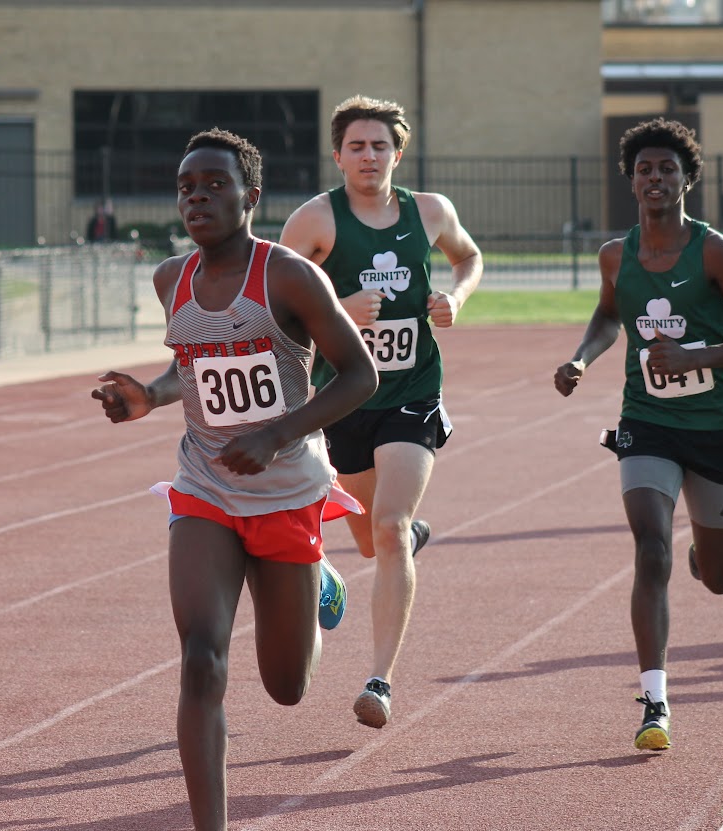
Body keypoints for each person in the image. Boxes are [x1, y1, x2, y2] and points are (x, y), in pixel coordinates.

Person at [91, 128, 377, 831]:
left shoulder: (287, 276)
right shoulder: (171, 280)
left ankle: (318, 591)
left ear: (250, 197)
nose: (198, 197)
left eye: (214, 184)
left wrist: (278, 432)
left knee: (285, 687)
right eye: (187, 186)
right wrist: (149, 397)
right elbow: (191, 364)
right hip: (205, 488)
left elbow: (360, 373)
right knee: (201, 658)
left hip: (286, 490)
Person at [553, 118, 723, 751]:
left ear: (688, 179)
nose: (656, 177)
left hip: (713, 428)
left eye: (668, 169)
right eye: (645, 168)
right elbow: (606, 317)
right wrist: (581, 358)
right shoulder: (614, 256)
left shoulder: (715, 252)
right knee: (650, 548)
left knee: (718, 577)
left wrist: (695, 359)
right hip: (646, 422)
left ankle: (703, 556)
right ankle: (655, 700)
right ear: (631, 180)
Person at [279, 95, 483, 729]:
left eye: (381, 145)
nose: (370, 156)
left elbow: (469, 256)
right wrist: (338, 309)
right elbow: (275, 309)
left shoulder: (430, 212)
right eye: (358, 146)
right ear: (338, 154)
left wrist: (457, 294)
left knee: (390, 529)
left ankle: (380, 681)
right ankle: (350, 569)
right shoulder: (314, 222)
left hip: (412, 393)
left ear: (400, 151)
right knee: (370, 540)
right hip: (342, 395)